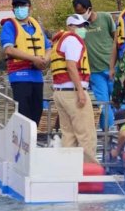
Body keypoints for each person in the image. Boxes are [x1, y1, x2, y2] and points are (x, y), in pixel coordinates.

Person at [50, 14, 98, 163]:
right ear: (70, 27)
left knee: (68, 134)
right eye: (79, 26)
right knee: (86, 134)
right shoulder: (72, 40)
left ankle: (68, 169)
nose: (83, 29)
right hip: (72, 93)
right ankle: (89, 172)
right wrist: (81, 92)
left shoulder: (59, 41)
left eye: (84, 26)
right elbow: (71, 66)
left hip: (60, 93)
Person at [0, 0, 51, 126]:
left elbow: (48, 48)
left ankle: (32, 141)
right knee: (24, 111)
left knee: (37, 110)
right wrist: (33, 58)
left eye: (23, 6)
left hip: (36, 75)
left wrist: (44, 60)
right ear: (13, 10)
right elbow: (9, 50)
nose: (20, 8)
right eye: (16, 6)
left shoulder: (36, 26)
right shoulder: (9, 26)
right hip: (19, 75)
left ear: (30, 8)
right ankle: (22, 141)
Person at [72, 0, 116, 130]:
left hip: (112, 67)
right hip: (94, 71)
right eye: (77, 13)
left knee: (118, 101)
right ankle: (108, 133)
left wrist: (114, 65)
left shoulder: (106, 18)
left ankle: (123, 131)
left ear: (89, 9)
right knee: (103, 104)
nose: (80, 15)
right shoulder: (79, 25)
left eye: (81, 12)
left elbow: (116, 40)